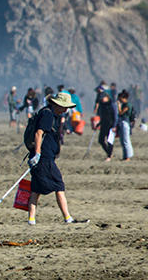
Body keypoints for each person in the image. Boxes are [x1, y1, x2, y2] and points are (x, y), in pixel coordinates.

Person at [26, 93, 85, 225]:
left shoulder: (50, 113)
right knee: (59, 185)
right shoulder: (47, 114)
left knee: (36, 188)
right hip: (44, 157)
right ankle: (67, 218)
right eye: (64, 107)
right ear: (57, 104)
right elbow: (39, 133)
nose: (66, 110)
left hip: (44, 156)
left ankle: (31, 219)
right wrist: (38, 154)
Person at [96, 91, 117, 162]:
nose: (102, 100)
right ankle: (109, 153)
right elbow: (103, 116)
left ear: (107, 97)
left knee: (109, 141)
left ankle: (109, 156)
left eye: (103, 98)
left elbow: (115, 116)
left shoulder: (112, 105)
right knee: (101, 140)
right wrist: (99, 123)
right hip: (104, 124)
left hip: (111, 126)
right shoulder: (102, 105)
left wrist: (114, 126)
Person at [117, 90, 136, 161]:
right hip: (122, 122)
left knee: (126, 140)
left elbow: (121, 113)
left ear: (123, 98)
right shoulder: (124, 104)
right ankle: (125, 156)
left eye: (120, 98)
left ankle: (128, 156)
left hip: (125, 123)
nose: (119, 100)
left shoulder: (128, 105)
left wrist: (119, 106)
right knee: (122, 140)